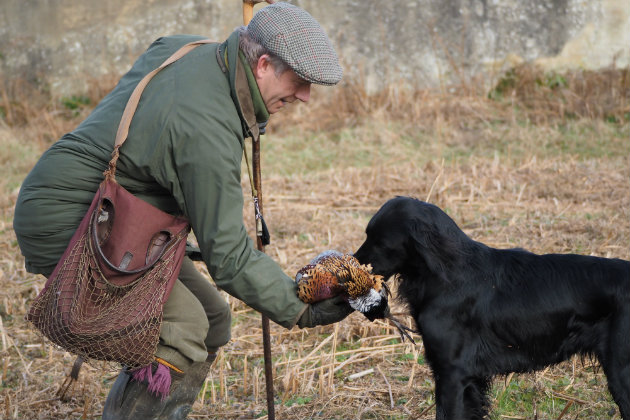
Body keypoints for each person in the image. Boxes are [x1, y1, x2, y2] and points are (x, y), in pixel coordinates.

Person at [13, 2, 353, 419]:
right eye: (299, 81)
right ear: (262, 64)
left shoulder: (195, 50)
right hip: (70, 215)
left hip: (122, 213)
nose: (304, 95)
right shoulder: (205, 129)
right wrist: (299, 306)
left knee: (212, 319)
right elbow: (227, 257)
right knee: (182, 328)